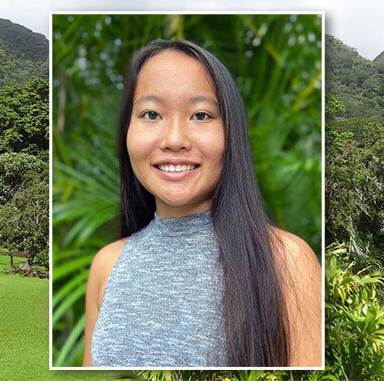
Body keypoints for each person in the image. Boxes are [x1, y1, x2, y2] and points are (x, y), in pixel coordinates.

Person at [82, 39, 321, 367]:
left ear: (230, 133)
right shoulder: (107, 266)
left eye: (200, 115)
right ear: (127, 132)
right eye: (151, 114)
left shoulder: (287, 262)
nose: (175, 140)